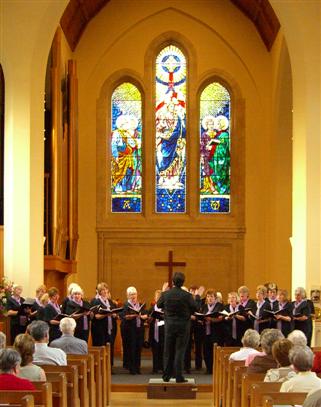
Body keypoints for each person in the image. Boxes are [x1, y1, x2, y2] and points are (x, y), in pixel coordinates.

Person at [157, 272, 199, 383]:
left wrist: (163, 292)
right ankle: (179, 376)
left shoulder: (166, 294)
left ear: (172, 282)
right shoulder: (187, 295)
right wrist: (197, 297)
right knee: (180, 350)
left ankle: (166, 376)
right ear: (183, 282)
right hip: (183, 326)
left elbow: (158, 305)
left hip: (169, 325)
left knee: (168, 350)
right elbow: (196, 308)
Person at [120, 286, 148, 375]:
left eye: (134, 294)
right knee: (131, 348)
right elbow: (124, 317)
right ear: (127, 295)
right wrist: (133, 316)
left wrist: (143, 316)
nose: (133, 296)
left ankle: (137, 367)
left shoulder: (140, 305)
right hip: (129, 330)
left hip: (139, 329)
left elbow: (145, 315)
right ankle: (132, 368)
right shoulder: (125, 305)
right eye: (131, 294)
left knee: (138, 348)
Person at [90, 282, 118, 364]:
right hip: (99, 329)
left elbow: (115, 313)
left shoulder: (110, 301)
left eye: (106, 289)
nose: (105, 291)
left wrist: (114, 314)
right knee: (101, 347)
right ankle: (100, 366)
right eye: (103, 290)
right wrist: (106, 314)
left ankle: (109, 366)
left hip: (110, 328)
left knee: (110, 346)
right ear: (99, 291)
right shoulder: (96, 302)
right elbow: (96, 316)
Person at [200, 288, 224, 374]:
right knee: (206, 351)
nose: (210, 298)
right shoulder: (203, 307)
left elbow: (221, 319)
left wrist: (211, 319)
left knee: (215, 352)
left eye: (212, 296)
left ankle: (216, 369)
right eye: (208, 296)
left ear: (215, 298)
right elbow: (201, 317)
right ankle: (208, 368)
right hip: (206, 332)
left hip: (216, 333)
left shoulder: (220, 306)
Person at [148, 289, 165, 374]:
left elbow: (167, 321)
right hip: (153, 333)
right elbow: (148, 320)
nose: (158, 299)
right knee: (154, 351)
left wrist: (160, 322)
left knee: (162, 350)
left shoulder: (165, 308)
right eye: (157, 297)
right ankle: (155, 368)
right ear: (155, 298)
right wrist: (150, 319)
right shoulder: (152, 308)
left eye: (160, 297)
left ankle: (162, 367)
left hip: (162, 333)